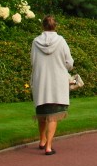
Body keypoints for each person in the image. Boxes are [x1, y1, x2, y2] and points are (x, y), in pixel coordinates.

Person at [31, 15, 75, 155]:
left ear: (42, 26)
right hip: (57, 81)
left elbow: (33, 61)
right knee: (54, 115)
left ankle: (42, 140)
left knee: (42, 113)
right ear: (55, 26)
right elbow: (69, 62)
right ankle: (49, 146)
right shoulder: (61, 41)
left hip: (41, 80)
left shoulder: (35, 41)